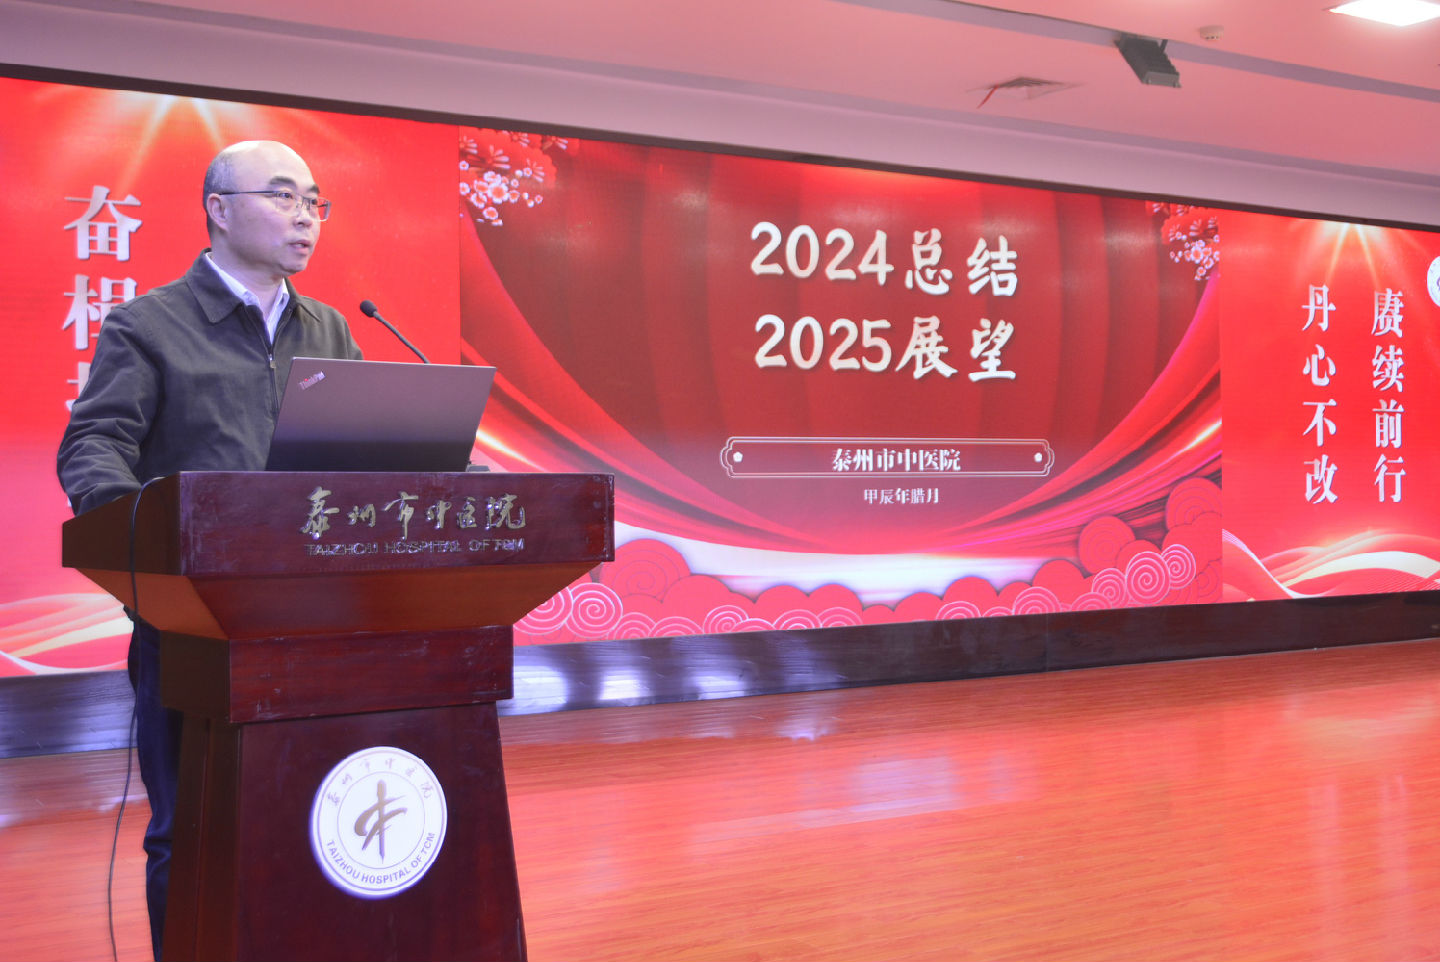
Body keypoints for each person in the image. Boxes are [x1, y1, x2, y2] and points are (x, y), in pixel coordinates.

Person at [57, 140, 362, 960]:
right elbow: (94, 445)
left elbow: (372, 454)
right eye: (283, 196)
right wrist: (143, 541)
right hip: (193, 625)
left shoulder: (331, 329)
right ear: (218, 210)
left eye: (315, 201)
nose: (306, 216)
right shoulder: (148, 325)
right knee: (188, 830)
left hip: (316, 624)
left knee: (310, 818)